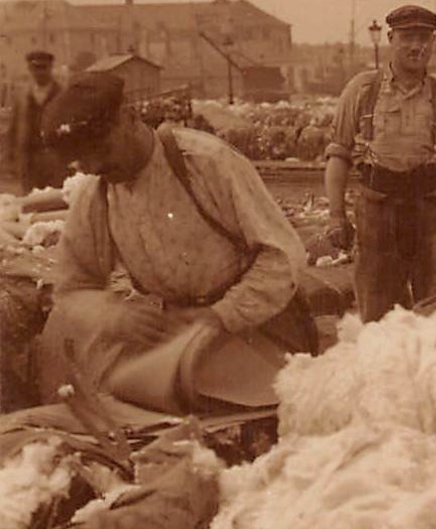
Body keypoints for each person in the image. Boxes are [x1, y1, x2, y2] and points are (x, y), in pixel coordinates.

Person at [37, 71, 316, 408]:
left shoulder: (207, 163)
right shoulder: (96, 193)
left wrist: (221, 315)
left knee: (261, 413)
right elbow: (72, 288)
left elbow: (283, 258)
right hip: (175, 335)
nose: (94, 165)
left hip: (256, 325)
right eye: (82, 160)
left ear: (129, 117)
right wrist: (113, 316)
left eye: (103, 148)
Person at [323, 4, 436, 322]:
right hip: (378, 215)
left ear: (433, 42)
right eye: (408, 37)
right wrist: (336, 216)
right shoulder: (361, 91)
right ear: (390, 39)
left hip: (435, 215)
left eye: (424, 38)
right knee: (378, 315)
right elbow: (338, 155)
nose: (416, 47)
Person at [9, 50, 70, 192]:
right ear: (30, 69)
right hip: (29, 160)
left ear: (50, 68)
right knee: (29, 205)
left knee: (56, 202)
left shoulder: (62, 94)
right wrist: (10, 160)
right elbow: (13, 128)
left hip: (55, 159)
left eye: (43, 67)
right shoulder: (22, 96)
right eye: (35, 68)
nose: (39, 72)